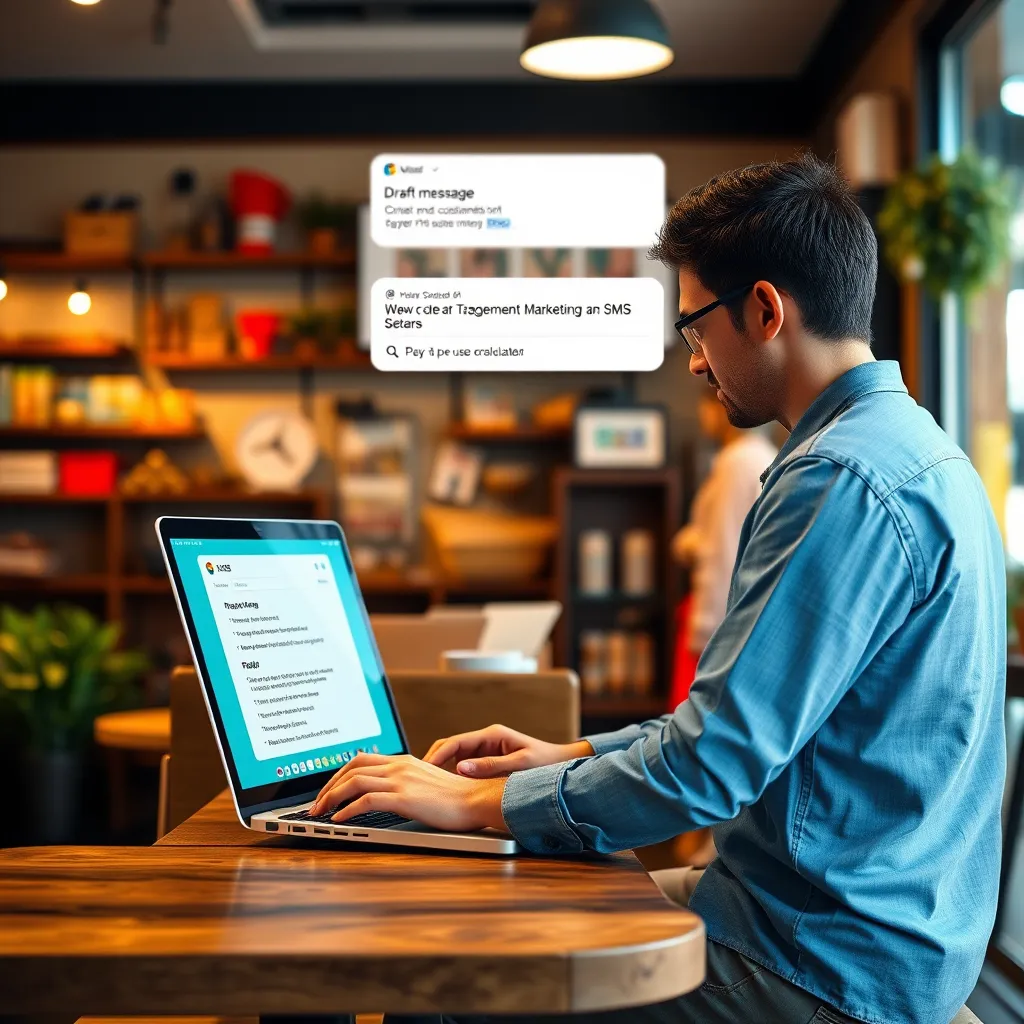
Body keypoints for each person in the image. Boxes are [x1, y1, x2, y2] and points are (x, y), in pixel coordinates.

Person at [309, 155, 1007, 1024]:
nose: (693, 363)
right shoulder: (921, 450)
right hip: (851, 927)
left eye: (695, 329)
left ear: (764, 309)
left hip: (817, 961)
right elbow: (734, 732)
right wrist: (566, 760)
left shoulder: (837, 480)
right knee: (508, 895)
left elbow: (709, 769)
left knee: (452, 978)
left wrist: (479, 802)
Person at [670, 390, 778, 706]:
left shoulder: (736, 461)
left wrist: (705, 632)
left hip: (720, 621)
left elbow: (723, 552)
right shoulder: (762, 455)